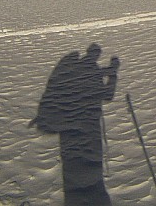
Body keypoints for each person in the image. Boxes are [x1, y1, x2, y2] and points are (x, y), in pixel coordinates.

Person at [32, 44, 119, 205]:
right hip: (90, 128)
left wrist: (109, 70)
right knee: (91, 173)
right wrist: (113, 73)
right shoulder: (92, 70)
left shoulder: (77, 70)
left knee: (72, 171)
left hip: (69, 128)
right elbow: (108, 95)